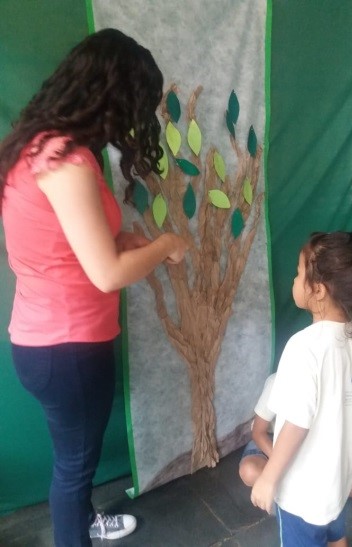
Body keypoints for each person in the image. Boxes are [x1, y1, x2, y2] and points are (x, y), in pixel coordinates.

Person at [0, 28, 188, 546]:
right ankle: (75, 533)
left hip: (49, 342)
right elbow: (106, 274)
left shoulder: (38, 147)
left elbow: (64, 242)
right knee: (74, 467)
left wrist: (121, 238)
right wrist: (165, 243)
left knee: (74, 459)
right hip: (68, 348)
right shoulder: (67, 161)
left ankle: (85, 522)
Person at [250, 231, 352, 547]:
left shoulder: (304, 347)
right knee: (336, 535)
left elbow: (296, 423)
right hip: (336, 481)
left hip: (303, 494)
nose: (295, 280)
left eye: (298, 273)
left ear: (318, 290)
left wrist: (269, 477)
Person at [240, 373, 352, 516]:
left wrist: (343, 471)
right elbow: (258, 433)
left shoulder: (333, 382)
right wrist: (284, 465)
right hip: (272, 440)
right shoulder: (278, 382)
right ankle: (316, 489)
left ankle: (338, 485)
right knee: (249, 471)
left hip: (312, 442)